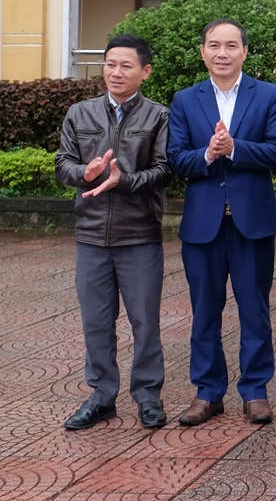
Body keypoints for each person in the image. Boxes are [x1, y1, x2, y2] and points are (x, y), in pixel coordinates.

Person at [167, 18, 276, 426]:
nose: (223, 53)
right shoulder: (186, 99)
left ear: (245, 51)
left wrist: (235, 147)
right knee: (204, 311)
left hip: (251, 221)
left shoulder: (268, 94)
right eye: (214, 45)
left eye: (231, 45)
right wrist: (208, 153)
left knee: (255, 309)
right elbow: (176, 158)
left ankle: (255, 391)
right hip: (203, 225)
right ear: (203, 51)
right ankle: (207, 392)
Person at [55, 34, 173, 431]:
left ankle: (148, 395)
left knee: (145, 321)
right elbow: (63, 164)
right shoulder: (80, 113)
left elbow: (165, 170)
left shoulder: (158, 116)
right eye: (110, 64)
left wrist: (124, 181)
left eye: (126, 65)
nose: (116, 72)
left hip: (139, 234)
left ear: (145, 71)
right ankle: (102, 396)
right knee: (96, 321)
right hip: (91, 235)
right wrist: (84, 173)